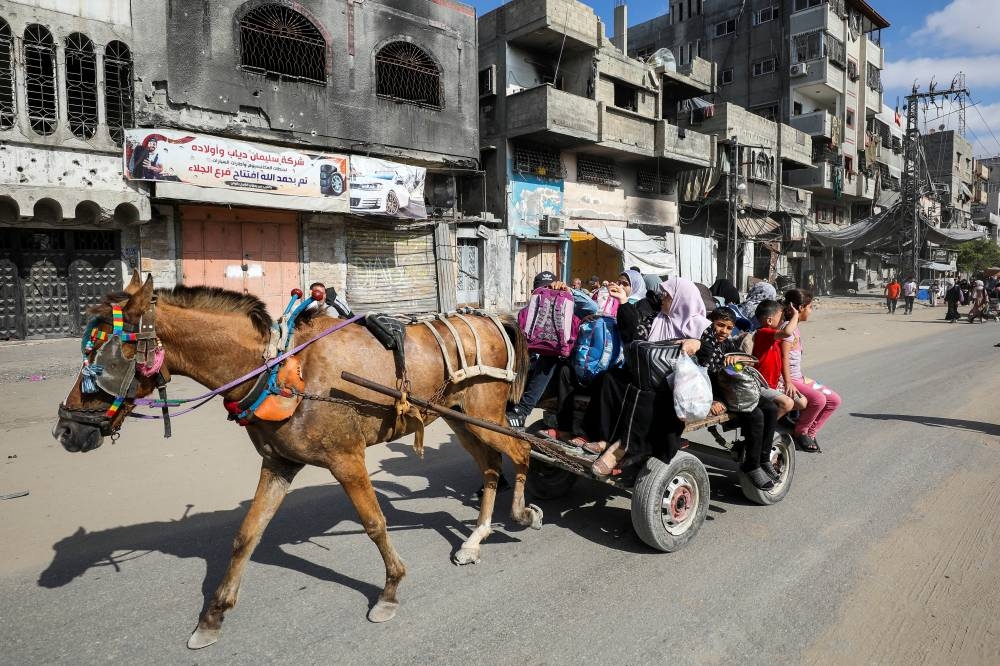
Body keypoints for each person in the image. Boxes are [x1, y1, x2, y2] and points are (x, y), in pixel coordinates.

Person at [582, 277, 706, 480]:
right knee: (609, 379)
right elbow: (633, 333)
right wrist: (623, 302)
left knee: (646, 394)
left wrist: (698, 344)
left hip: (679, 386)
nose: (662, 298)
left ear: (680, 299)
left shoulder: (702, 326)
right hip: (648, 375)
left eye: (667, 295)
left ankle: (621, 447)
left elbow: (712, 357)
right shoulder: (657, 319)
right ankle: (605, 437)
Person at [696, 308, 779, 489]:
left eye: (728, 328)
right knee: (755, 415)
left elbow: (744, 363)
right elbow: (698, 377)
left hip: (732, 392)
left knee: (771, 408)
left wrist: (737, 360)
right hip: (713, 395)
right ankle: (752, 465)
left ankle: (764, 459)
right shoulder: (703, 344)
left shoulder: (725, 345)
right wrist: (711, 401)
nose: (724, 331)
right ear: (710, 323)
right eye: (720, 325)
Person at [780, 289, 840, 452]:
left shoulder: (795, 328)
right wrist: (788, 383)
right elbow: (783, 358)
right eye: (810, 307)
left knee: (834, 400)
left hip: (799, 377)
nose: (811, 311)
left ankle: (810, 433)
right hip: (789, 380)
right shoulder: (788, 329)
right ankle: (800, 432)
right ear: (800, 308)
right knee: (819, 400)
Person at [751, 299, 807, 421]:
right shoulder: (763, 333)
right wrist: (796, 315)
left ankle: (774, 421)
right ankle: (766, 427)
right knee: (787, 403)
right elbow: (787, 332)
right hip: (762, 385)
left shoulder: (774, 336)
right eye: (781, 318)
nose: (783, 321)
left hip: (775, 384)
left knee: (802, 402)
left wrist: (788, 382)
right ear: (769, 321)